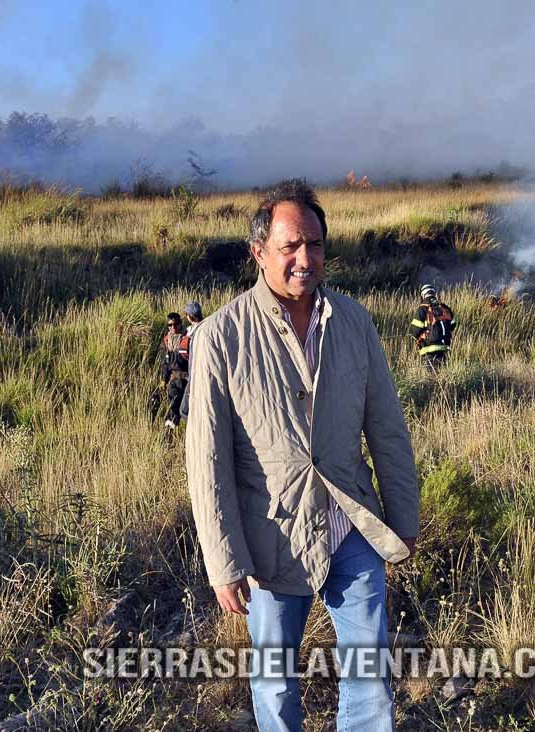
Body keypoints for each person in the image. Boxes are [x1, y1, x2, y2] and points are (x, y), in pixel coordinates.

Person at [185, 179, 419, 732]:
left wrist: (403, 518)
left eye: (313, 244)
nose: (304, 258)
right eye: (289, 246)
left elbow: (387, 429)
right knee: (274, 685)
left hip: (350, 524)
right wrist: (224, 561)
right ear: (259, 252)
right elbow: (207, 461)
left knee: (370, 679)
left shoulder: (354, 321)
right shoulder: (220, 336)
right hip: (272, 539)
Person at [409, 284, 456, 371]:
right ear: (434, 294)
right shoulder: (444, 307)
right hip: (444, 348)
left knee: (432, 378)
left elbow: (414, 331)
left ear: (423, 295)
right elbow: (453, 324)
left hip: (429, 349)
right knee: (443, 375)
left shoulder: (422, 309)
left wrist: (418, 338)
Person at [160, 312, 191, 429]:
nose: (173, 327)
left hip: (187, 379)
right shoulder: (167, 340)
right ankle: (169, 430)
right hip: (174, 379)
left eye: (176, 324)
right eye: (170, 325)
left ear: (180, 323)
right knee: (173, 403)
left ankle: (173, 429)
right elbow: (165, 363)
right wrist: (164, 379)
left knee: (182, 406)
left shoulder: (187, 338)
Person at [175, 302, 204, 424]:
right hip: (198, 375)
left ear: (189, 316)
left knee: (184, 410)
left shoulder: (194, 333)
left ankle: (196, 430)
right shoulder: (204, 328)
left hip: (195, 376)